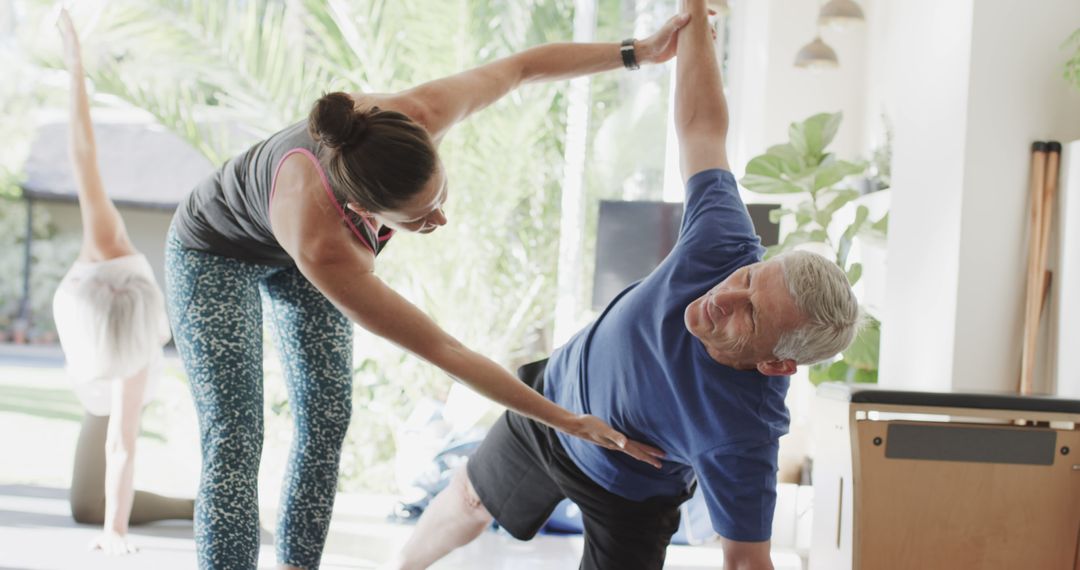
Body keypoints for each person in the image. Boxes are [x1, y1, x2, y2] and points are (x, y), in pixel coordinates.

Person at [163, 12, 695, 570]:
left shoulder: (416, 115)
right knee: (235, 435)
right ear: (363, 210)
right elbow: (448, 352)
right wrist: (568, 420)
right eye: (418, 218)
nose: (439, 219)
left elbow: (523, 66)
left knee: (326, 418)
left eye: (438, 195)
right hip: (213, 253)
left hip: (292, 241)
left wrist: (639, 51)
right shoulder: (325, 244)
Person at [388, 1, 863, 569]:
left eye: (751, 316)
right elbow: (702, 127)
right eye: (750, 278)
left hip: (631, 495)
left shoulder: (745, 434)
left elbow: (745, 561)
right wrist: (692, 19)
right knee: (466, 498)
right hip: (553, 404)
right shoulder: (724, 245)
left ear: (776, 366)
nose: (722, 297)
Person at [52, 9, 195, 557]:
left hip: (111, 377)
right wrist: (75, 67)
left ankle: (195, 506)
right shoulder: (104, 243)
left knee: (92, 510)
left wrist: (115, 532)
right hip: (93, 373)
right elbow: (82, 152)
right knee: (84, 504)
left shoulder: (135, 361)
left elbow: (122, 443)